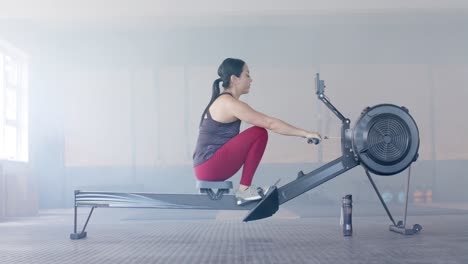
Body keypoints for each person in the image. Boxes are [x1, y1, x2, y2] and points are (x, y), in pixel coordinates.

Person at [193, 58, 321, 204]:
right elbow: (269, 123)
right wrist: (305, 133)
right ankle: (244, 190)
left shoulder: (225, 101)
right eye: (247, 75)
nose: (251, 80)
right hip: (209, 166)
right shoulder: (228, 103)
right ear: (234, 79)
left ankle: (244, 189)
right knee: (259, 132)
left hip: (206, 167)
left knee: (258, 132)